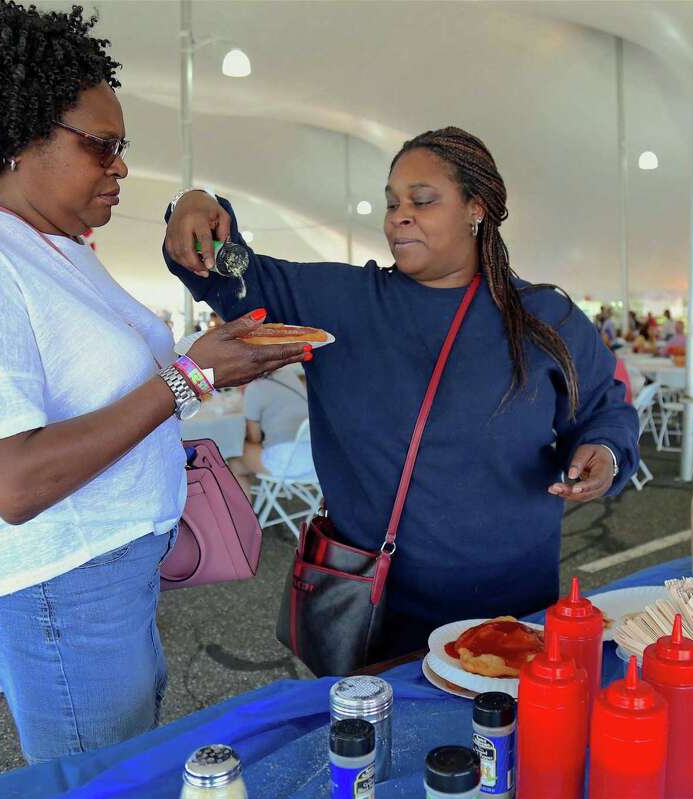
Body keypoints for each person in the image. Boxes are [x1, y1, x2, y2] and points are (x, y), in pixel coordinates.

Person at [0, 0, 309, 764]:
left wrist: (199, 221)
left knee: (127, 759)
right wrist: (193, 374)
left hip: (109, 574)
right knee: (106, 778)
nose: (119, 167)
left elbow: (117, 382)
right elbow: (15, 481)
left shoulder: (56, 247)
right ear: (19, 138)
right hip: (59, 584)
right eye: (101, 147)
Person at [163, 126, 638, 659]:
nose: (398, 217)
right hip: (379, 607)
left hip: (514, 604)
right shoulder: (341, 301)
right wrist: (194, 204)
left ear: (476, 208)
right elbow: (224, 268)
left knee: (507, 711)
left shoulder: (545, 317)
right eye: (392, 203)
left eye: (422, 200)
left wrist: (605, 452)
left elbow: (605, 409)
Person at [229, 364, 311, 493]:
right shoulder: (289, 375)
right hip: (315, 459)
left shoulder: (254, 388)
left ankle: (244, 507)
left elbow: (255, 438)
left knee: (236, 459)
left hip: (288, 463)